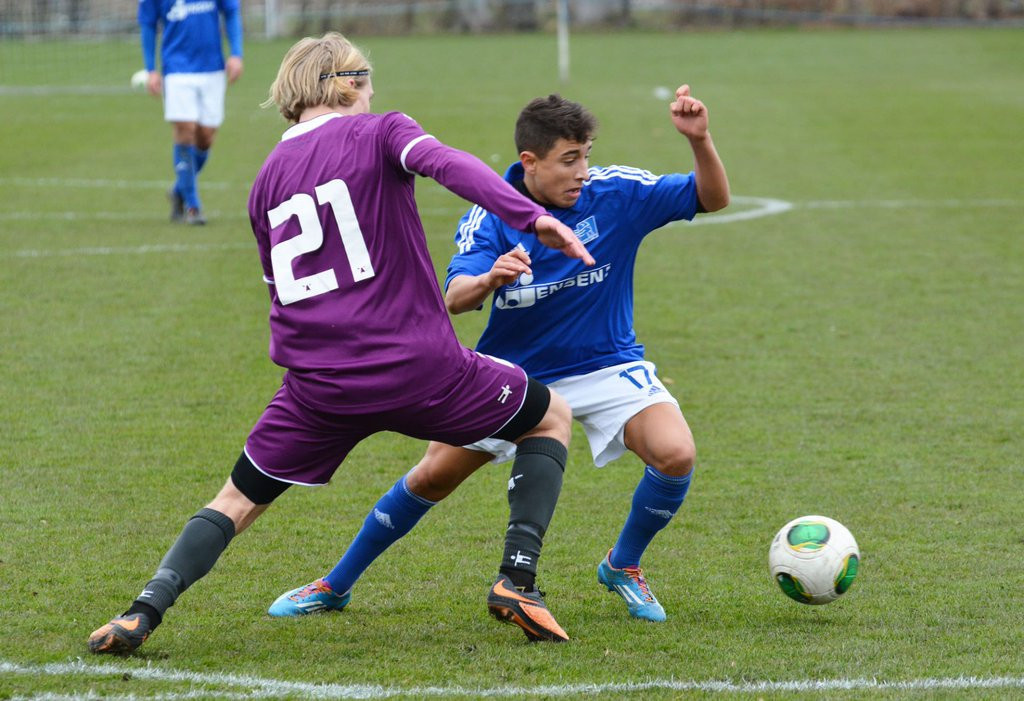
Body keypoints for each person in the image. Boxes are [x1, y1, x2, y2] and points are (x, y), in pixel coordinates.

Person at [87, 32, 594, 655]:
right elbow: (447, 163)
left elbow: (281, 297)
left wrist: (307, 374)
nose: (373, 90)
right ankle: (517, 579)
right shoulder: (382, 131)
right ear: (347, 84)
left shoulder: (265, 181)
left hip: (320, 386)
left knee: (237, 499)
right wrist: (529, 215)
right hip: (419, 368)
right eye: (367, 77)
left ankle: (142, 611)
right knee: (549, 416)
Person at [270, 88, 729, 629]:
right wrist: (490, 277)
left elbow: (711, 197)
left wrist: (699, 140)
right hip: (515, 377)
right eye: (569, 160)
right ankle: (335, 583)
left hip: (606, 362)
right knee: (431, 478)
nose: (583, 171)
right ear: (529, 162)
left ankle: (622, 564)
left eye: (586, 155)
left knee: (676, 454)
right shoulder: (490, 215)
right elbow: (454, 297)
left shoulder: (617, 192)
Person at [139, 0, 244, 225]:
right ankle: (193, 206)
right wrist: (151, 69)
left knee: (205, 137)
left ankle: (179, 189)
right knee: (185, 129)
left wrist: (236, 53)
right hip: (176, 68)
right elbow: (148, 24)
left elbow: (231, 11)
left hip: (212, 68)